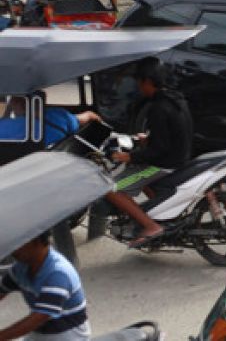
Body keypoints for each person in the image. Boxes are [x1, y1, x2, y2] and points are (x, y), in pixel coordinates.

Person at [104, 58, 193, 247]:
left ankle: (151, 226)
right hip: (180, 157)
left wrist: (130, 156)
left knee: (112, 189)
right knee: (134, 170)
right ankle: (160, 214)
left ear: (147, 81)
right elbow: (172, 134)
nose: (138, 87)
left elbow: (159, 150)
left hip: (164, 165)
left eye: (138, 82)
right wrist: (147, 139)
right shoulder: (175, 98)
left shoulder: (158, 108)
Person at [0, 232, 90, 340]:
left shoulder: (58, 273)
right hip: (41, 331)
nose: (13, 250)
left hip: (68, 334)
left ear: (37, 242)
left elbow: (39, 317)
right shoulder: (20, 268)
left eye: (18, 244)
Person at [0, 97, 101, 147]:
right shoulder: (59, 115)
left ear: (14, 104)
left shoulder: (6, 126)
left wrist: (8, 110)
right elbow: (90, 115)